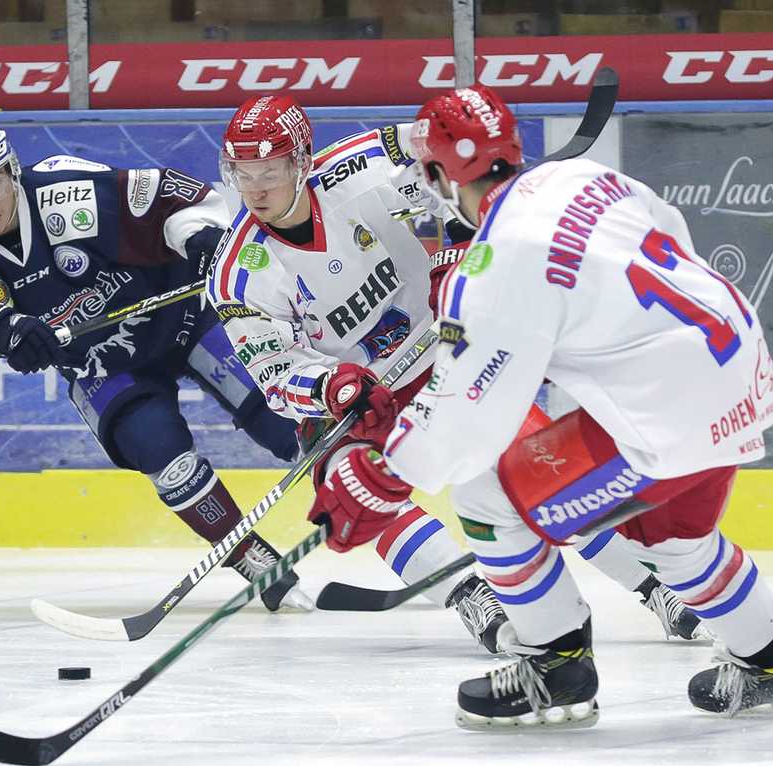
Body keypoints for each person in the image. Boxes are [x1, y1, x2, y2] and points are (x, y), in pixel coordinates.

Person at [305, 84, 773, 727]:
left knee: (483, 489)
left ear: (441, 174)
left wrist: (387, 477)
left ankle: (555, 665)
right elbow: (668, 238)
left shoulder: (494, 266)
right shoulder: (582, 176)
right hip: (737, 374)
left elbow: (473, 416)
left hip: (662, 420)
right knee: (676, 542)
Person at [207, 94, 708, 653]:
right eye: (242, 173)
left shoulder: (363, 165)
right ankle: (474, 597)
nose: (255, 189)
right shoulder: (236, 275)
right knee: (348, 484)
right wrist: (329, 385)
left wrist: (461, 250)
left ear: (301, 160)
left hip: (446, 351)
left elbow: (452, 180)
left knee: (534, 469)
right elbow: (273, 370)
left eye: (270, 171)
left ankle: (655, 588)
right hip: (357, 398)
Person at [0, 113, 309, 612]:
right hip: (102, 368)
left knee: (288, 418)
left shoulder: (68, 193)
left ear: (13, 171)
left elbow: (178, 197)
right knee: (161, 453)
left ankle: (383, 514)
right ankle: (255, 561)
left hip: (184, 317)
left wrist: (201, 237)